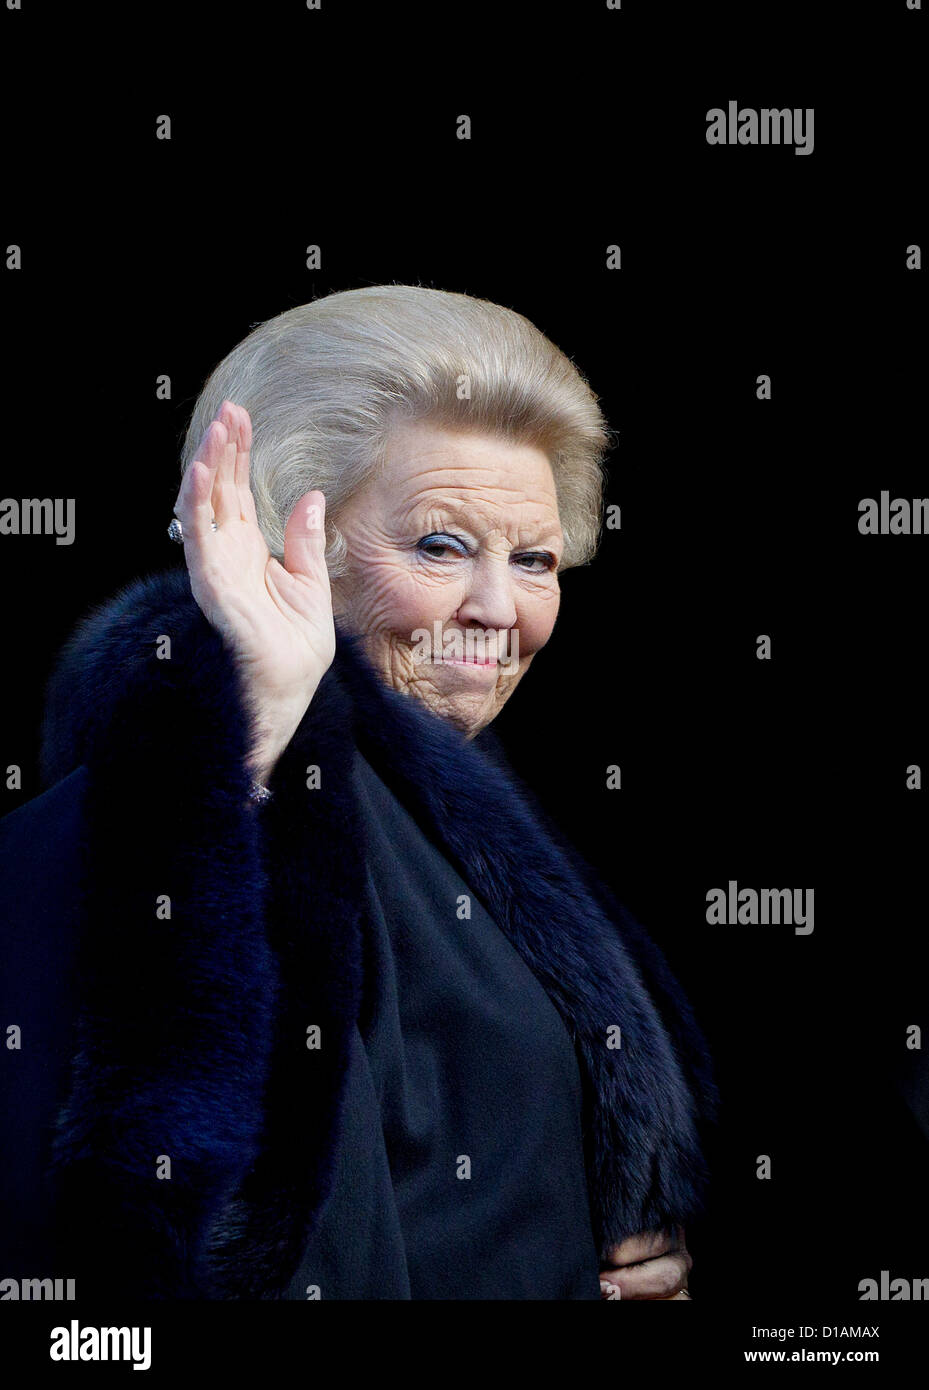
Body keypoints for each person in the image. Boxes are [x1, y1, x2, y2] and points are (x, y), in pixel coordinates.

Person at [0, 285, 716, 1300]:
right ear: (280, 541)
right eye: (439, 545)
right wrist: (247, 723)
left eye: (536, 560)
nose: (498, 609)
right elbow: (177, 1207)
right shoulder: (234, 792)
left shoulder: (451, 799)